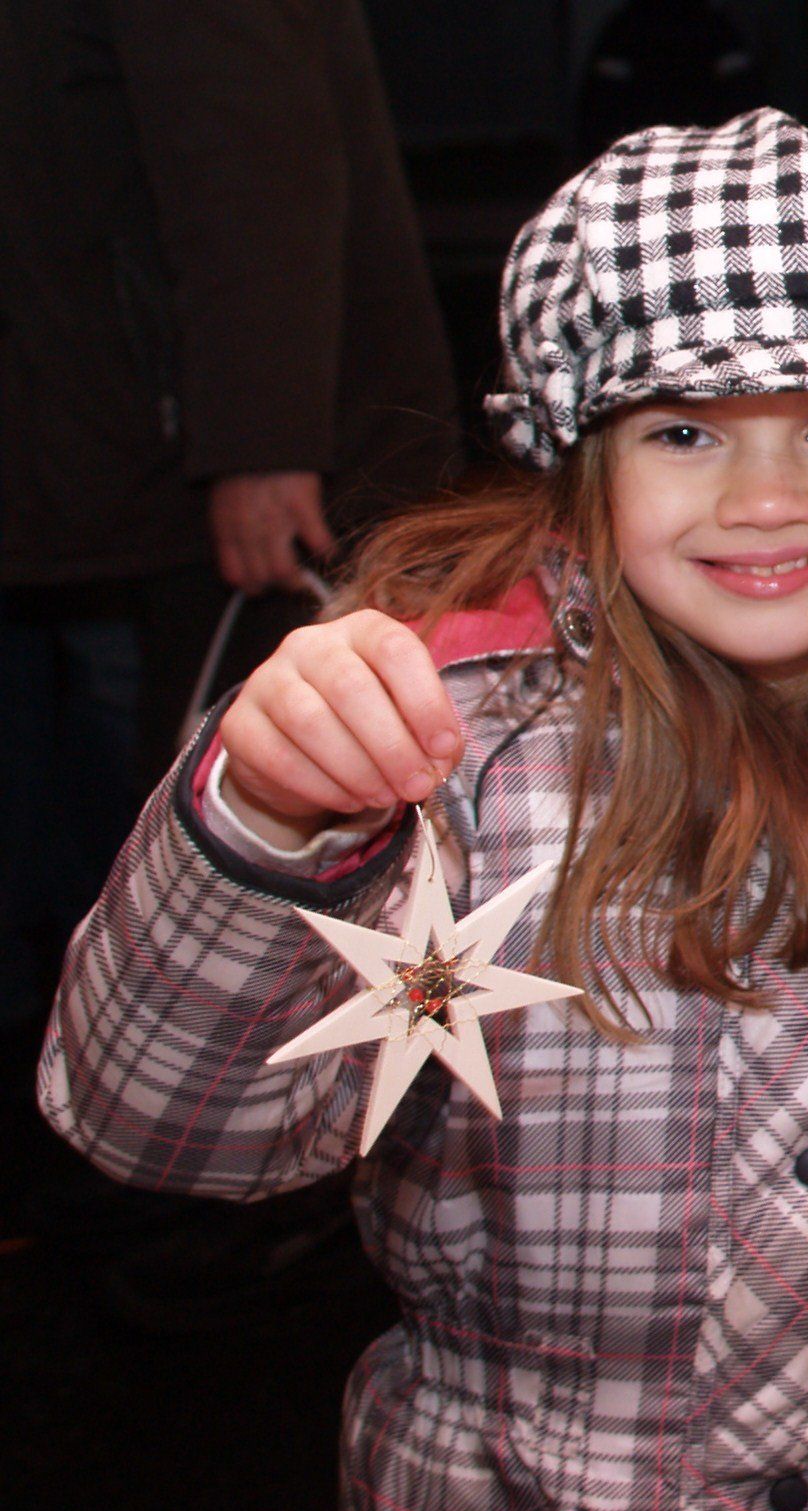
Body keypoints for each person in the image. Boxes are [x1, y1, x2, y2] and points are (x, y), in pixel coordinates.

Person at [40, 111, 808, 1511]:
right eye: (683, 432)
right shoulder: (440, 755)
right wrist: (267, 821)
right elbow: (164, 1127)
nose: (768, 498)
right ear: (579, 459)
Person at [0, 0, 459, 1030]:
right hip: (78, 442)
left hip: (169, 458)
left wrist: (260, 440)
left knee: (171, 779)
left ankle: (163, 1034)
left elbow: (255, 155)